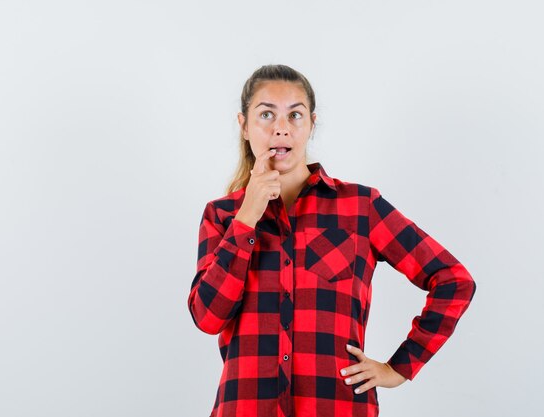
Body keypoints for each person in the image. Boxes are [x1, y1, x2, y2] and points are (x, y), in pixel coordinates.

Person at [187, 64, 476, 417]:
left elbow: (453, 280)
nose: (281, 128)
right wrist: (247, 217)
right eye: (266, 114)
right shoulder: (222, 216)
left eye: (295, 115)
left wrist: (400, 367)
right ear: (244, 126)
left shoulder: (360, 207)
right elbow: (207, 317)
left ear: (311, 124)